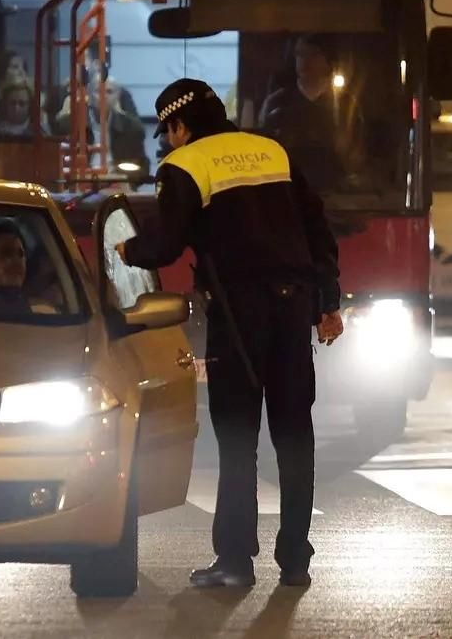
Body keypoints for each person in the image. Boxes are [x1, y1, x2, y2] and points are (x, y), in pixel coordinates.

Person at [115, 78, 341, 590]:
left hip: (238, 314)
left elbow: (167, 245)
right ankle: (296, 560)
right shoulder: (272, 150)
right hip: (293, 306)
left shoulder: (184, 166)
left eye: (167, 131)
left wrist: (129, 251)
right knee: (293, 433)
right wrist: (328, 303)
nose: (168, 141)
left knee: (238, 437)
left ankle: (236, 561)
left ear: (179, 125)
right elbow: (318, 231)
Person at [259, 35, 362, 191]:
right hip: (288, 192)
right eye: (299, 54)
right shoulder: (277, 102)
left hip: (336, 197)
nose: (304, 61)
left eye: (313, 54)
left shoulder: (346, 104)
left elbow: (356, 155)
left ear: (328, 59)